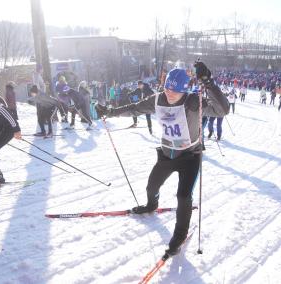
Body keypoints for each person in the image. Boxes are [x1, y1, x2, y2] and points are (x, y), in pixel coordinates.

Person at [96, 62, 229, 257]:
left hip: (190, 157)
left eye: (175, 90)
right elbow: (135, 108)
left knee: (183, 197)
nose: (170, 93)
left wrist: (208, 83)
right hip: (167, 155)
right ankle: (151, 205)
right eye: (167, 88)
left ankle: (179, 235)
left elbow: (222, 110)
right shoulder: (158, 100)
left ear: (184, 90)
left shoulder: (192, 102)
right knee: (151, 187)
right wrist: (110, 112)